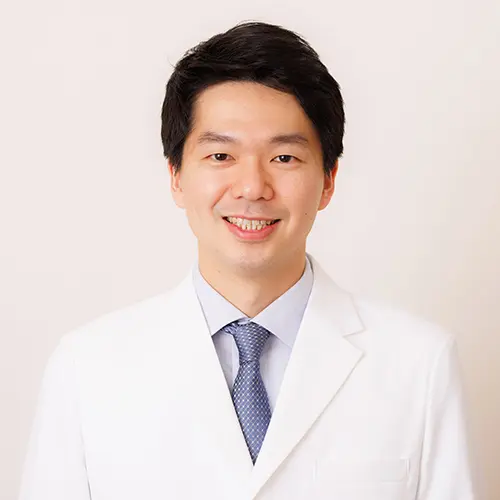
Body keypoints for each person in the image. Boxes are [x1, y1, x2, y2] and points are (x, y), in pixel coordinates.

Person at [19, 21, 476, 500]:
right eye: (221, 155)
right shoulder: (87, 368)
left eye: (284, 158)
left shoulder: (419, 365)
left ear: (328, 180)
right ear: (176, 176)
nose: (253, 187)